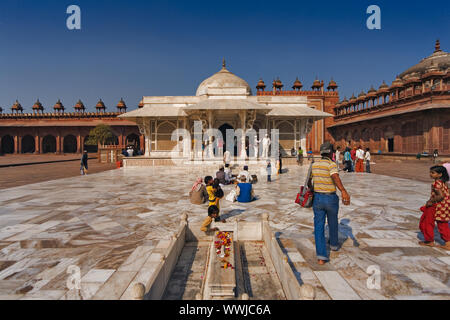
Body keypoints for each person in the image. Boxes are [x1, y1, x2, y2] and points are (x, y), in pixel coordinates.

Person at [308, 141, 351, 265]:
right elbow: (335, 177)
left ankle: (321, 256)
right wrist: (343, 191)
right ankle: (333, 245)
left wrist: (314, 188)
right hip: (330, 198)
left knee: (319, 226)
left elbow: (310, 182)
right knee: (333, 222)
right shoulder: (331, 165)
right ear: (331, 152)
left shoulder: (314, 165)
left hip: (318, 198)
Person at [419, 166, 450, 249]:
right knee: (443, 224)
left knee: (427, 222)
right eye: (430, 172)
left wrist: (430, 202)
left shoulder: (436, 184)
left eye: (433, 173)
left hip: (436, 206)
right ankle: (448, 243)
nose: (430, 174)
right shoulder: (444, 183)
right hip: (445, 207)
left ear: (440, 174)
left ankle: (429, 241)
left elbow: (441, 196)